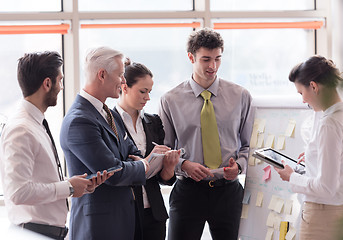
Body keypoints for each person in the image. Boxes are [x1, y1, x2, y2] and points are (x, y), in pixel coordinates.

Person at [0, 51, 109, 240]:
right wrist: (68, 187)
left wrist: (75, 184)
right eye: (61, 80)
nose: (62, 87)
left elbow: (38, 178)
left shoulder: (34, 123)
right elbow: (18, 192)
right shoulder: (21, 129)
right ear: (47, 83)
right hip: (33, 233)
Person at [159, 28, 254, 240]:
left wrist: (239, 166)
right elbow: (164, 150)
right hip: (188, 192)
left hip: (229, 192)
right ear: (191, 57)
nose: (213, 66)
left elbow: (250, 145)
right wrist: (183, 164)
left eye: (218, 59)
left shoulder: (241, 96)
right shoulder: (170, 100)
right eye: (206, 59)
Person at [60, 47, 153, 240]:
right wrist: (143, 165)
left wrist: (131, 162)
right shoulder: (80, 120)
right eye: (120, 74)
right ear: (102, 75)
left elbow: (132, 150)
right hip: (97, 227)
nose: (123, 81)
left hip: (120, 222)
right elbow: (112, 172)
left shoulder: (108, 113)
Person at [274, 55, 343, 240]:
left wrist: (292, 177)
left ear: (314, 86)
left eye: (301, 93)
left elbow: (326, 187)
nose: (302, 100)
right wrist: (314, 156)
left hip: (323, 215)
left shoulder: (329, 124)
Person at [114, 59, 180, 240]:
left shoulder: (154, 122)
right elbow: (115, 169)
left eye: (149, 92)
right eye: (142, 91)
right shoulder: (109, 122)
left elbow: (164, 179)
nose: (148, 98)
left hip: (154, 214)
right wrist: (148, 161)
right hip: (124, 212)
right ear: (124, 87)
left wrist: (168, 167)